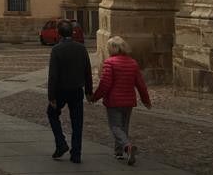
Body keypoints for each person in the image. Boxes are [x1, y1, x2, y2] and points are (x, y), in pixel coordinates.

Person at [91, 36, 151, 165]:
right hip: (128, 100)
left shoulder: (110, 63)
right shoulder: (133, 63)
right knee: (124, 126)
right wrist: (146, 100)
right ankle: (119, 152)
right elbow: (140, 84)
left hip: (114, 100)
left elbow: (105, 84)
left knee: (115, 126)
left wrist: (95, 97)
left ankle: (127, 146)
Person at [46, 19, 93, 164]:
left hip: (61, 90)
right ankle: (76, 153)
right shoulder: (81, 48)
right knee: (77, 122)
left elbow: (53, 75)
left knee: (52, 113)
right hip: (77, 90)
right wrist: (88, 91)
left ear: (59, 33)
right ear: (72, 32)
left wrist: (51, 96)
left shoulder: (56, 49)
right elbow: (87, 71)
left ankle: (61, 143)